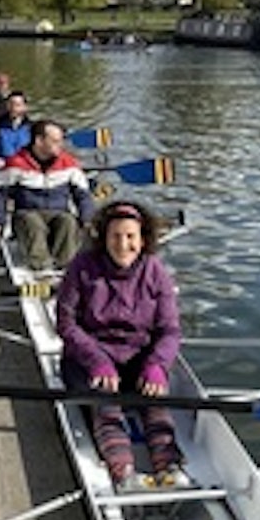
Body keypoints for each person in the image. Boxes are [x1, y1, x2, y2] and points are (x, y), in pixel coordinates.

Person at [55, 200, 191, 492]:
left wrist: (157, 365)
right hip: (88, 359)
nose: (123, 244)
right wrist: (96, 361)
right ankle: (123, 473)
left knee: (155, 405)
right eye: (115, 236)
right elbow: (66, 324)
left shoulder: (156, 272)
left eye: (130, 236)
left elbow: (169, 330)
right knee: (106, 405)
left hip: (138, 359)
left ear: (143, 239)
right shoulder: (82, 267)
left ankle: (170, 467)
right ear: (104, 238)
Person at [0, 119, 94, 272]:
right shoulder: (15, 164)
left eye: (61, 141)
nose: (61, 145)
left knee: (69, 222)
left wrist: (87, 219)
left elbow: (83, 196)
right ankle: (40, 267)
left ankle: (66, 266)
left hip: (59, 213)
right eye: (56, 141)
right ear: (39, 141)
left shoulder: (69, 164)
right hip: (27, 213)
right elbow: (0, 195)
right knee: (32, 222)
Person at [0, 90, 30, 164]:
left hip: (25, 165)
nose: (13, 108)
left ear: (25, 107)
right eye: (11, 104)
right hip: (4, 165)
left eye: (17, 105)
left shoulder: (31, 128)